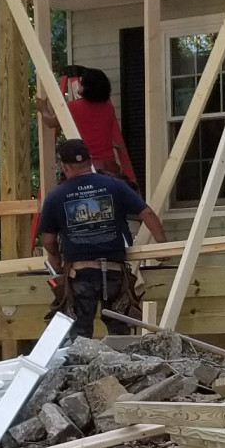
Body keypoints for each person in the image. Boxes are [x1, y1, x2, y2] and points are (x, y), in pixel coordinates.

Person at [35, 138, 165, 334]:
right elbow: (146, 213)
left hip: (80, 275)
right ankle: (120, 363)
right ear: (90, 161)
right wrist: (162, 247)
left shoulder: (56, 196)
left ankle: (82, 363)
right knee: (119, 330)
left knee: (79, 333)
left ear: (65, 166)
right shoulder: (114, 186)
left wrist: (55, 258)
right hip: (114, 272)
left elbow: (48, 240)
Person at [43, 67, 137, 181]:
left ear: (87, 87)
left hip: (85, 166)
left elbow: (51, 122)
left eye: (82, 84)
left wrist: (43, 108)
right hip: (109, 167)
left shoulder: (73, 107)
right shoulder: (109, 108)